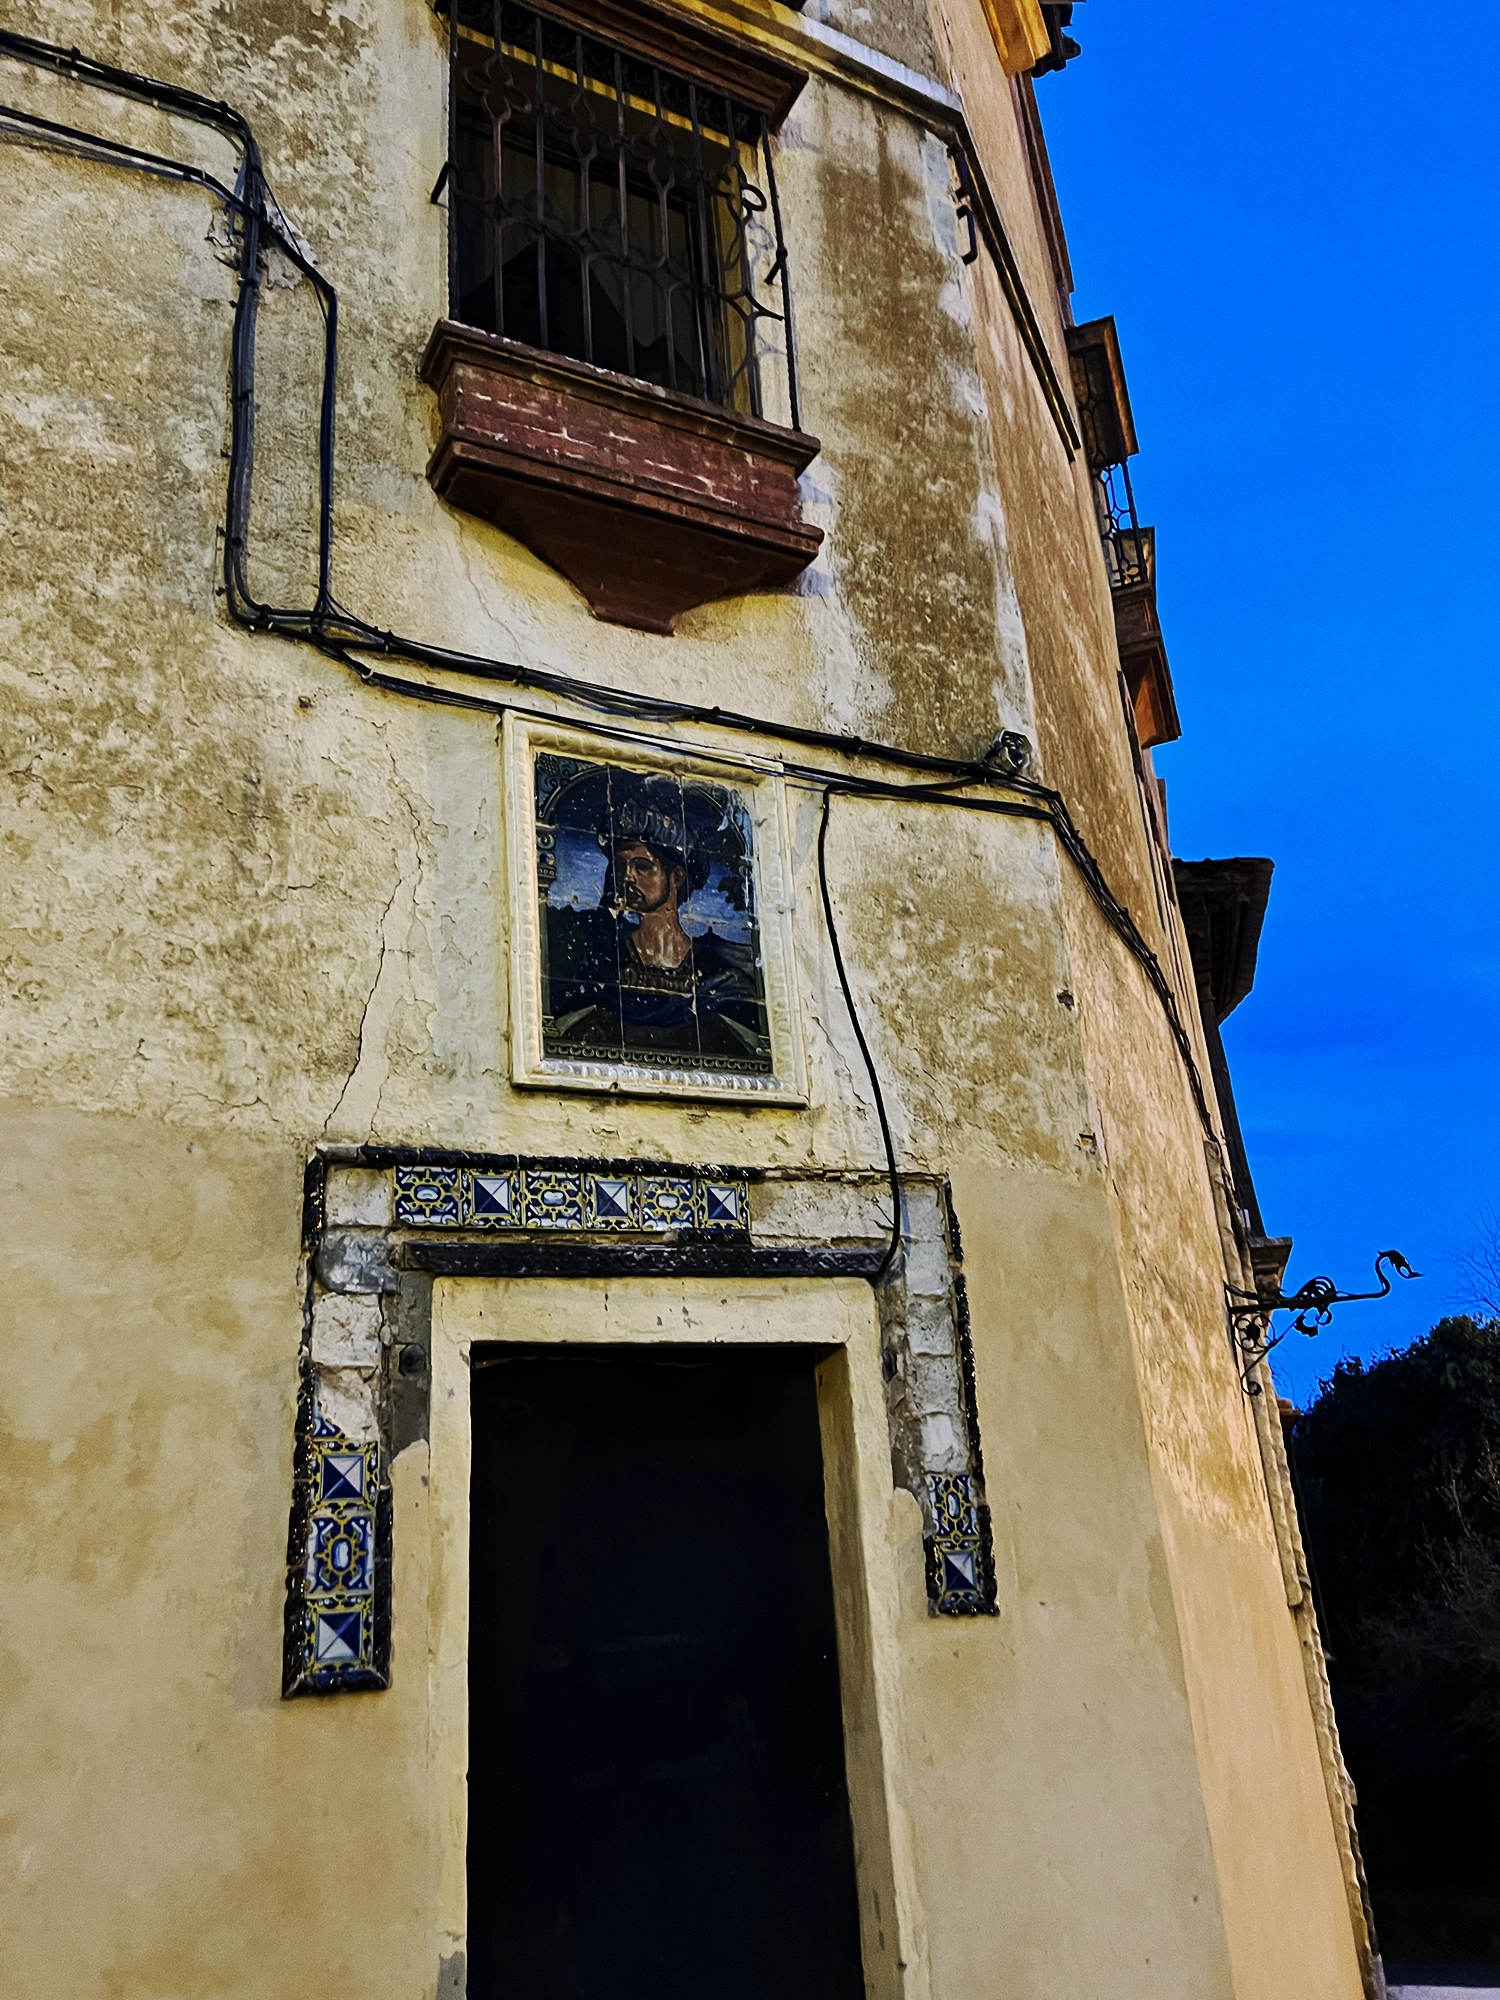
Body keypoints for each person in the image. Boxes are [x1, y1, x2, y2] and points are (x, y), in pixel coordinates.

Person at [543, 789, 767, 1067]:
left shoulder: (717, 976)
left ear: (676, 876)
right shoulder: (606, 964)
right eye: (621, 865)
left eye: (642, 866)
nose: (627, 877)